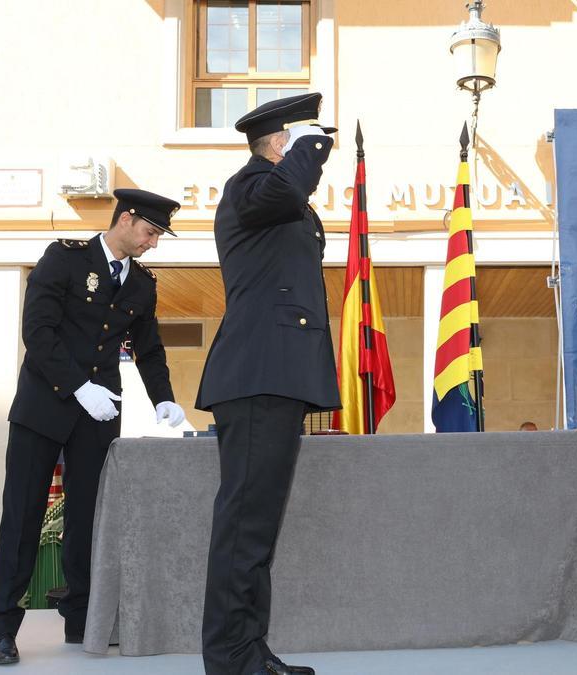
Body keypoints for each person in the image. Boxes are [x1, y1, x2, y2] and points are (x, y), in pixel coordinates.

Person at [0, 189, 188, 666]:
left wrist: (164, 399)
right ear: (125, 219)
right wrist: (79, 387)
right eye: (150, 232)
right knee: (22, 516)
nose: (153, 243)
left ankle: (82, 619)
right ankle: (2, 629)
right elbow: (37, 331)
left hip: (98, 416)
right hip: (43, 408)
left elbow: (149, 347)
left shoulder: (142, 284)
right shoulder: (64, 260)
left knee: (89, 519)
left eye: (158, 236)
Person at [195, 92, 341, 675]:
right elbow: (286, 192)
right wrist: (314, 143)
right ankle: (230, 658)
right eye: (298, 141)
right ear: (280, 143)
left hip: (276, 374)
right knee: (244, 525)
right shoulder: (251, 185)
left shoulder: (273, 195)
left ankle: (249, 649)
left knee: (259, 528)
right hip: (256, 374)